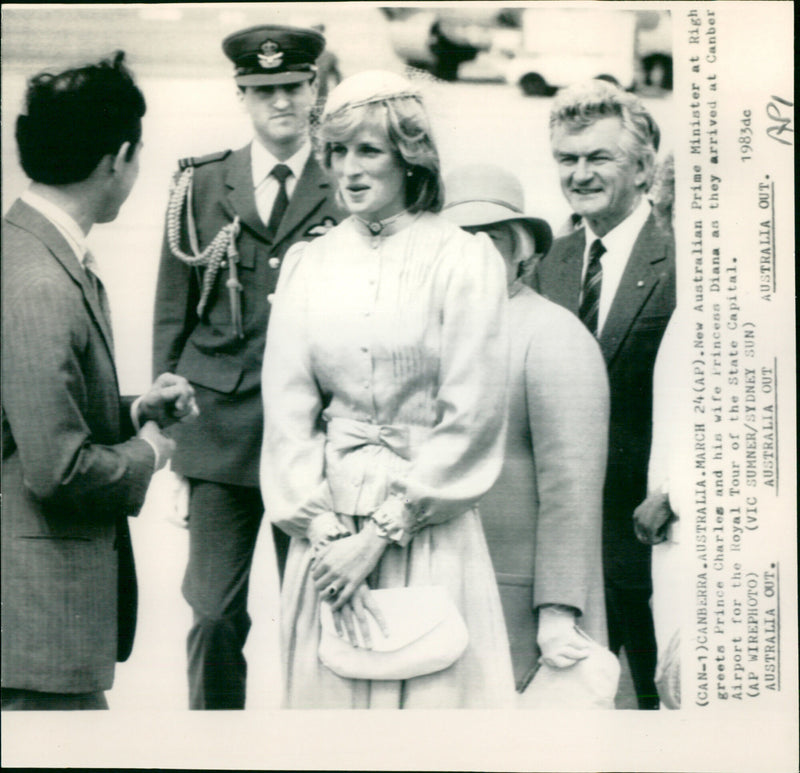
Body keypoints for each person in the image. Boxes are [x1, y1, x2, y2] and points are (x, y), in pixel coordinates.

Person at [260, 70, 515, 708]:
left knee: (433, 707)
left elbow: (472, 413)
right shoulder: (308, 263)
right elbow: (288, 412)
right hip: (328, 531)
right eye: (337, 152)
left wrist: (379, 535)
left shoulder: (463, 258)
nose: (348, 169)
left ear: (410, 157)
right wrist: (323, 532)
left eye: (368, 151)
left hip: (424, 526)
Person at [152, 24, 345, 710]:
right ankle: (216, 742)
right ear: (241, 95)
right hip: (218, 434)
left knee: (319, 616)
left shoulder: (343, 181)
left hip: (314, 435)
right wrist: (173, 446)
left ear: (314, 88)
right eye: (263, 91)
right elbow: (172, 318)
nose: (280, 103)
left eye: (293, 86)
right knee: (211, 613)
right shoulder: (204, 183)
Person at [1, 52, 196, 711]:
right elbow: (55, 467)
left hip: (37, 626)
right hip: (34, 629)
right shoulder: (39, 282)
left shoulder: (33, 252)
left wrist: (135, 406)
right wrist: (148, 452)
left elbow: (28, 410)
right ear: (117, 158)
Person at [441, 164, 612, 707]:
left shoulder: (554, 335)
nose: (471, 253)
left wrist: (559, 611)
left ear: (523, 251)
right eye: (456, 239)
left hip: (519, 604)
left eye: (488, 239)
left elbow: (572, 493)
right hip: (438, 589)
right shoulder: (430, 327)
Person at [533, 79, 675, 709]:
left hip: (648, 530)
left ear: (644, 166)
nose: (581, 174)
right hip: (558, 541)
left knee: (654, 703)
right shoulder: (549, 262)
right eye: (568, 159)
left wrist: (679, 491)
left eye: (599, 158)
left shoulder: (687, 259)